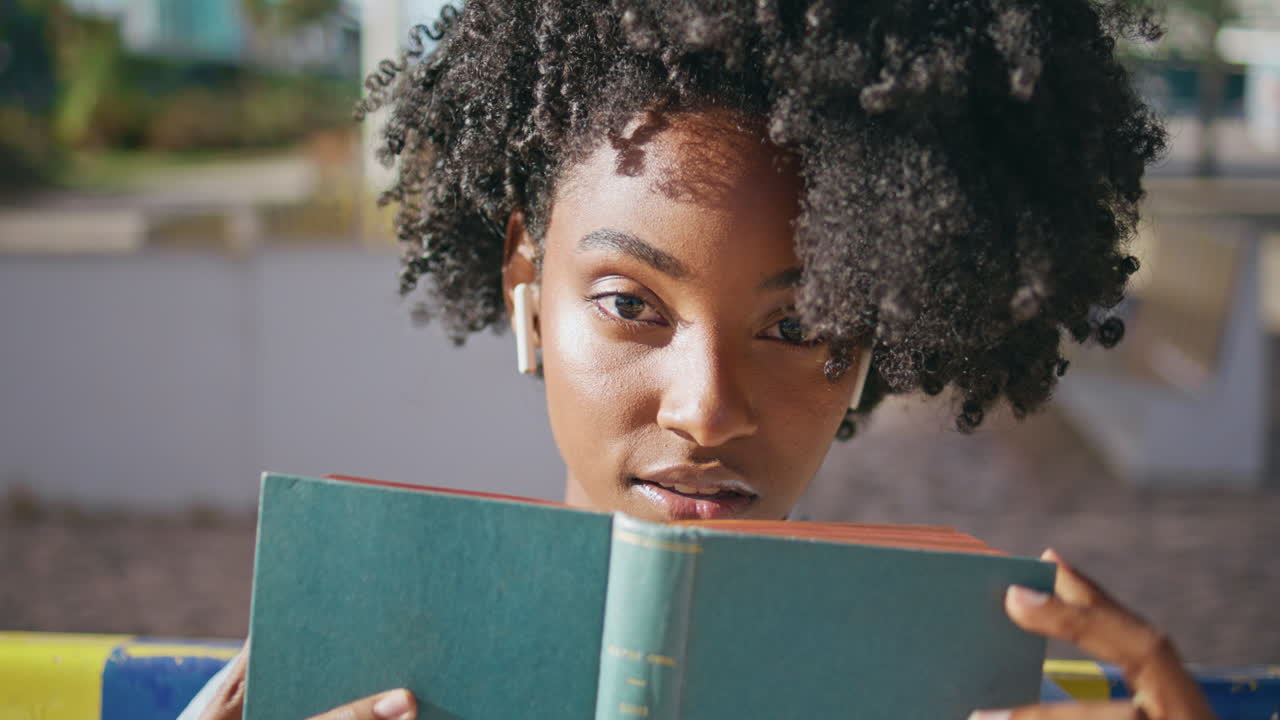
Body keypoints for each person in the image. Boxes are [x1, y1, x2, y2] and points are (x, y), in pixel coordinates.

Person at [185, 1, 1217, 718]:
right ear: (525, 283)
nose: (706, 408)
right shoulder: (333, 670)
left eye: (800, 323)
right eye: (631, 304)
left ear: (871, 331)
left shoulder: (953, 693)